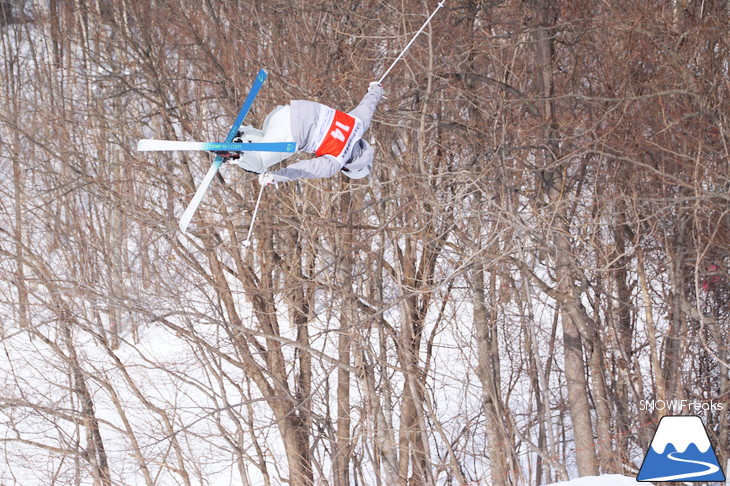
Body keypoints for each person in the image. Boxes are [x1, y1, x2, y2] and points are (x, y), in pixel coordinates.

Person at [226, 81, 384, 185]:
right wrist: (275, 177)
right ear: (349, 168)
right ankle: (237, 153)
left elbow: (369, 104)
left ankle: (243, 135)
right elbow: (304, 169)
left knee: (264, 143)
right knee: (260, 164)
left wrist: (376, 89)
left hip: (286, 111)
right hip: (293, 131)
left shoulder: (359, 123)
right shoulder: (337, 161)